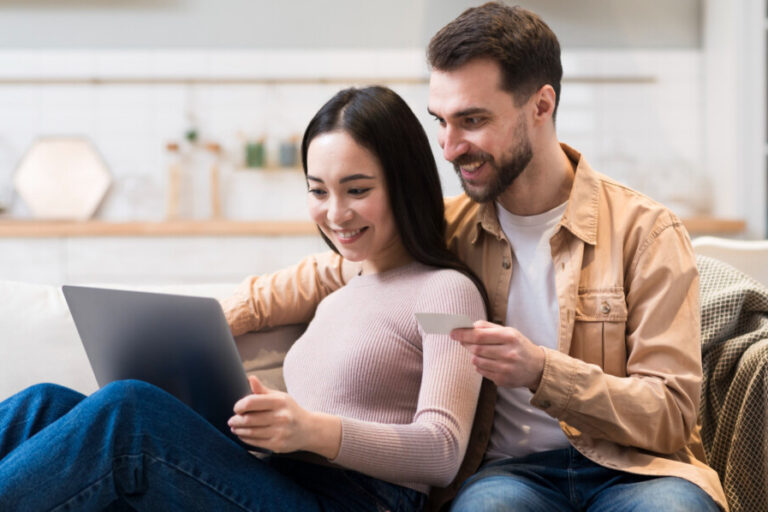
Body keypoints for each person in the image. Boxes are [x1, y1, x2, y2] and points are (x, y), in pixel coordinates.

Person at [221, 3, 728, 511]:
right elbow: (327, 271)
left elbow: (670, 415)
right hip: (508, 476)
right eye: (440, 121)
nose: (448, 147)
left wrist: (540, 370)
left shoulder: (646, 232)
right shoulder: (449, 228)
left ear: (541, 105)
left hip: (635, 470)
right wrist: (211, 320)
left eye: (472, 120)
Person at [0, 86, 488, 511]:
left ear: (405, 183)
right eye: (318, 191)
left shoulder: (445, 292)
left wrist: (311, 430)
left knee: (130, 412)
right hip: (276, 481)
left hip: (357, 501)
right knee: (41, 404)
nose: (336, 213)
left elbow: (442, 451)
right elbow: (280, 294)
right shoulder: (342, 287)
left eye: (356, 190)